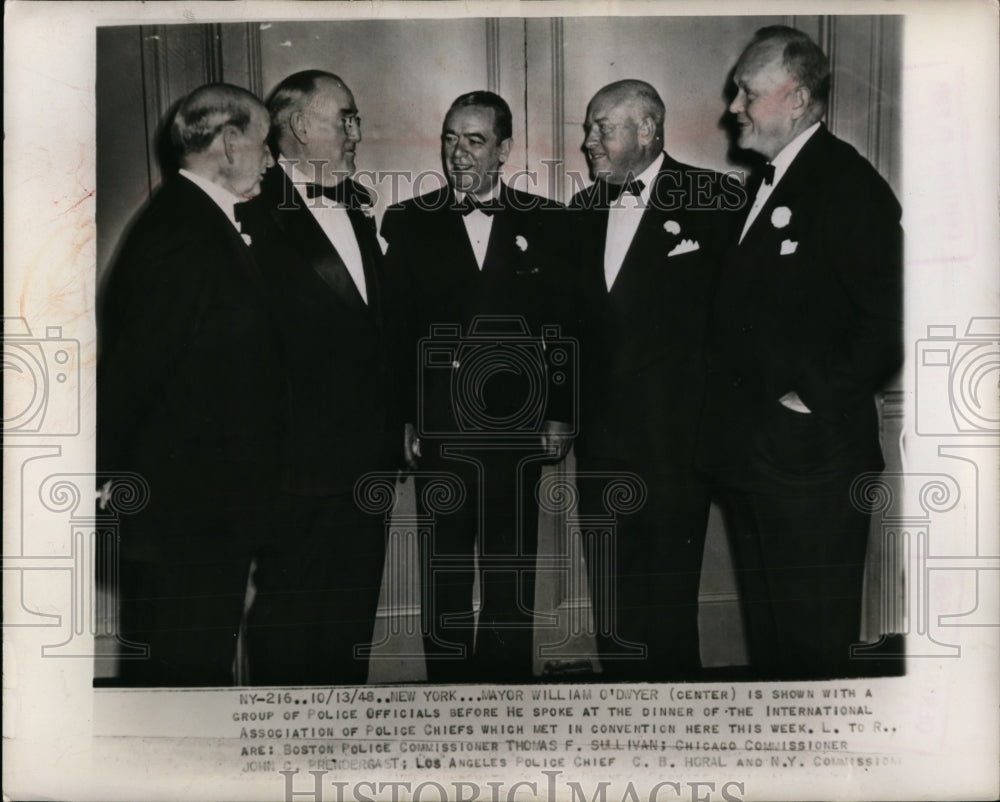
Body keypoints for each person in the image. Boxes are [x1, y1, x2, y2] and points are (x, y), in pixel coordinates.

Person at [698, 26, 903, 679]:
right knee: (777, 648)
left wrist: (803, 401)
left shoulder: (848, 186)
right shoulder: (772, 183)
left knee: (812, 654)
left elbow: (886, 326)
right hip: (761, 463)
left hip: (812, 467)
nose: (734, 107)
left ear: (796, 99)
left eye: (748, 93)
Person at [381, 91, 572, 683]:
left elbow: (564, 329)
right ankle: (449, 699)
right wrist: (405, 418)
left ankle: (509, 697)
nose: (457, 153)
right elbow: (397, 334)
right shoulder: (408, 221)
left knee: (511, 569)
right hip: (441, 427)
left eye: (474, 140)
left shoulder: (548, 221)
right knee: (445, 570)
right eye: (449, 138)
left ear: (504, 149)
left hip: (518, 427)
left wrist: (561, 411)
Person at [98, 83, 281, 686]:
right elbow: (137, 369)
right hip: (189, 518)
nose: (271, 159)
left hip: (197, 513)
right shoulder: (187, 232)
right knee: (183, 677)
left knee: (182, 676)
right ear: (229, 142)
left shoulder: (193, 219)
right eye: (263, 142)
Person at [569, 79, 734, 682]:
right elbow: (571, 330)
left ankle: (676, 731)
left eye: (600, 128)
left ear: (646, 130)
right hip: (602, 448)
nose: (588, 142)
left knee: (668, 603)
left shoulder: (714, 198)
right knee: (614, 606)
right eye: (588, 129)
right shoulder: (582, 212)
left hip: (676, 446)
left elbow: (739, 323)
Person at [238, 71, 397, 685]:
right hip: (295, 465)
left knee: (351, 615)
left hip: (367, 462)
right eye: (346, 118)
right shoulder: (250, 210)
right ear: (302, 128)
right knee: (289, 615)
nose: (358, 132)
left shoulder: (356, 207)